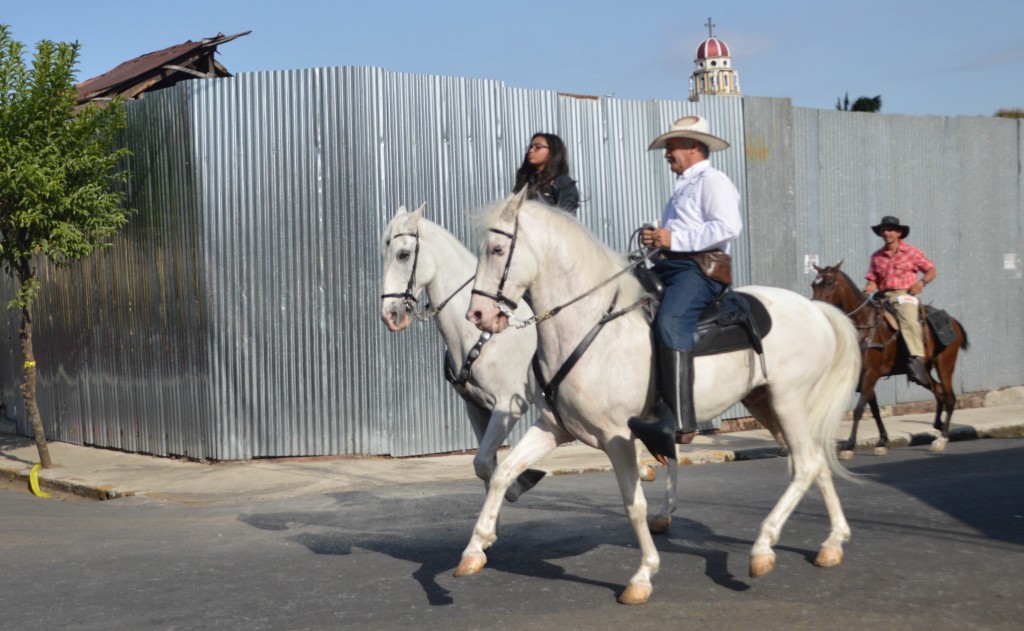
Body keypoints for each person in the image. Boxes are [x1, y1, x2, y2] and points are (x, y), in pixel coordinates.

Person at [627, 115, 742, 464]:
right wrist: (656, 240)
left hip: (700, 269)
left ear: (694, 147)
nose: (666, 154)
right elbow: (677, 232)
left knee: (670, 321)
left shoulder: (714, 180)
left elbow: (728, 227)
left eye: (671, 146)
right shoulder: (682, 186)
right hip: (672, 264)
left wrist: (673, 238)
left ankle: (681, 420)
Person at [862, 215, 936, 386]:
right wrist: (871, 285)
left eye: (890, 230)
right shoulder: (877, 256)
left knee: (909, 320)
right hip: (882, 295)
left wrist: (921, 283)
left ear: (899, 233)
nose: (886, 233)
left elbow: (931, 270)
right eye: (883, 230)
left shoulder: (912, 252)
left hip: (904, 294)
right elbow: (873, 278)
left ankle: (917, 360)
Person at [512, 133, 580, 215]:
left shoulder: (562, 182)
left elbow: (567, 219)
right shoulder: (526, 183)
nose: (531, 150)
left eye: (538, 147)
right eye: (530, 147)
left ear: (553, 152)